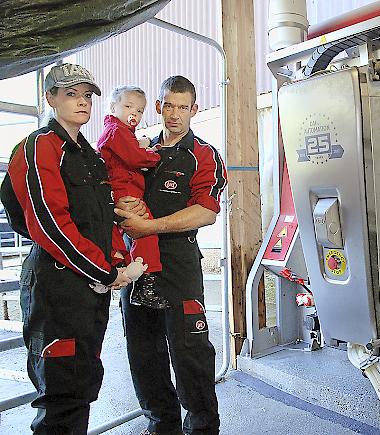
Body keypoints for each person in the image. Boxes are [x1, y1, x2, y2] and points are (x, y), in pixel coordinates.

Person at [0, 63, 132, 434]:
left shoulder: (88, 155)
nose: (82, 102)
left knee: (83, 380)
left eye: (87, 95)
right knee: (60, 390)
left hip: (90, 284)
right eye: (71, 93)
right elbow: (49, 224)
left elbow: (102, 217)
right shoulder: (39, 146)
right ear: (50, 97)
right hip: (57, 285)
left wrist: (116, 256)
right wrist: (103, 271)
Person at [115, 75, 227, 435]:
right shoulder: (139, 151)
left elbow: (206, 212)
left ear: (194, 110)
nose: (174, 114)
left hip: (178, 264)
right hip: (135, 267)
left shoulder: (204, 155)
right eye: (168, 105)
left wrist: (150, 227)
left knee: (190, 355)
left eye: (183, 107)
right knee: (144, 357)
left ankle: (203, 428)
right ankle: (161, 428)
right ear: (159, 106)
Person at [96, 85, 169, 309]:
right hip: (125, 191)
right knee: (146, 232)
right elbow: (135, 157)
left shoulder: (122, 133)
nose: (134, 114)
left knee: (120, 236)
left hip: (123, 190)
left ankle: (116, 268)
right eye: (128, 106)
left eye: (139, 110)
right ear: (112, 107)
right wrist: (155, 155)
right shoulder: (116, 132)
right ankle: (145, 285)